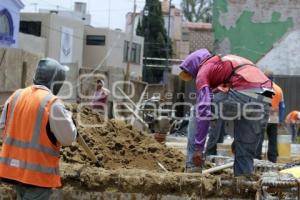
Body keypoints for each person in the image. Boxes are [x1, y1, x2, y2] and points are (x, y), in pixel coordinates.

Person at [179, 49, 272, 177]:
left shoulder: (204, 69)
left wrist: (198, 149)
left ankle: (193, 167)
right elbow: (241, 106)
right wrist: (243, 139)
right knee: (245, 150)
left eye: (193, 74)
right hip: (267, 94)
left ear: (195, 66)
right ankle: (243, 181)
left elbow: (204, 109)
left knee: (196, 110)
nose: (195, 77)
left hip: (244, 88)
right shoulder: (227, 61)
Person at [0, 58, 77, 200]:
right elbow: (68, 138)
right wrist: (72, 124)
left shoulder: (16, 96)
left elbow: (3, 129)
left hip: (14, 171)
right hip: (38, 176)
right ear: (57, 81)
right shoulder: (52, 104)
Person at [255, 73, 285, 163]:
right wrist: (281, 119)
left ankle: (257, 157)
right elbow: (282, 106)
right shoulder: (279, 89)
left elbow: (259, 103)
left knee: (259, 138)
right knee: (273, 139)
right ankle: (273, 159)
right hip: (274, 118)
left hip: (263, 117)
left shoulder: (264, 88)